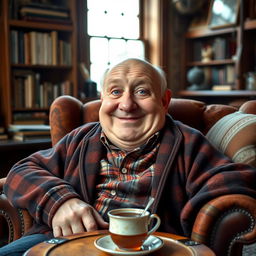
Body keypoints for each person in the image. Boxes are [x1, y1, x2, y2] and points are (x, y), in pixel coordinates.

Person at [1, 58, 256, 255]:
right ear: (102, 99)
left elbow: (234, 180)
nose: (126, 104)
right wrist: (59, 202)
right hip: (66, 243)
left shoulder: (188, 143)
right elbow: (22, 171)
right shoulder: (79, 138)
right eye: (115, 92)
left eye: (142, 92)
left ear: (164, 101)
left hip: (150, 248)